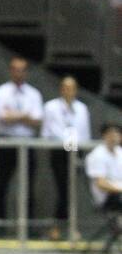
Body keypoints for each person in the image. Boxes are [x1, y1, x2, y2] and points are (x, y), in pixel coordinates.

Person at [0, 57, 44, 224]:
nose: (18, 73)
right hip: (6, 142)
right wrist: (25, 116)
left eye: (22, 69)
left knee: (28, 185)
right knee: (2, 184)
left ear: (26, 72)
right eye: (15, 69)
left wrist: (13, 115)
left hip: (27, 142)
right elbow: (1, 117)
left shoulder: (34, 93)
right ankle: (0, 224)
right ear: (10, 71)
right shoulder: (1, 92)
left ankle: (28, 225)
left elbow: (37, 120)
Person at [41, 76, 91, 234]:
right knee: (63, 189)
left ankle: (67, 226)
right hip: (59, 151)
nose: (69, 91)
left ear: (76, 90)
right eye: (66, 88)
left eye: (72, 88)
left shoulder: (82, 108)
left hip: (77, 150)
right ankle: (59, 226)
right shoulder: (51, 107)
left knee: (71, 190)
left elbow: (85, 133)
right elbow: (47, 132)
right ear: (61, 89)